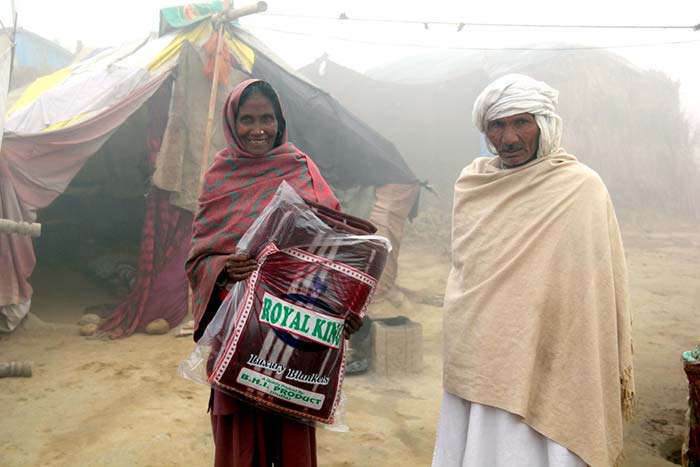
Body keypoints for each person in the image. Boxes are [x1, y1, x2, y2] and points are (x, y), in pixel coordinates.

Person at [432, 74, 635, 467]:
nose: (508, 138)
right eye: (497, 125)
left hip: (556, 351)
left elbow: (593, 283)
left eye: (521, 122)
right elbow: (468, 275)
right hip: (484, 353)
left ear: (544, 126)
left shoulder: (581, 187)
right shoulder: (473, 184)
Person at [186, 79, 361, 467]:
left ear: (281, 121)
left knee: (292, 441)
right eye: (247, 119)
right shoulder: (219, 177)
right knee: (239, 448)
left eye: (267, 118)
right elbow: (198, 261)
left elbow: (336, 250)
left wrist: (343, 310)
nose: (257, 129)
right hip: (238, 338)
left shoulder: (301, 169)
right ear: (233, 123)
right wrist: (223, 268)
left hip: (295, 337)